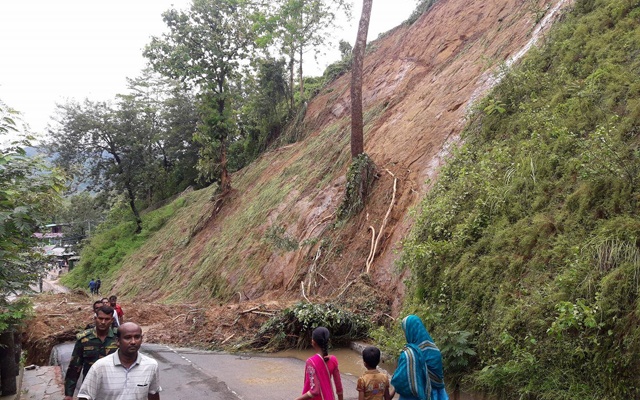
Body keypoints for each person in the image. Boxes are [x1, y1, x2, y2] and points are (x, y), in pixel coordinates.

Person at [78, 322, 162, 400]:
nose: (133, 342)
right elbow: (84, 396)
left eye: (137, 337)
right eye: (127, 338)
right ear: (118, 341)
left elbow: (153, 394)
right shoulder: (100, 367)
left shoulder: (151, 365)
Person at [64, 305, 119, 400]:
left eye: (107, 319)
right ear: (95, 318)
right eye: (100, 318)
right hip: (89, 387)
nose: (103, 322)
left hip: (114, 388)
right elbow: (75, 366)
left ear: (112, 320)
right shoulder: (84, 338)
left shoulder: (119, 337)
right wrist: (69, 394)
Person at [390, 315, 449, 400]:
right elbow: (438, 380)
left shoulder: (409, 355)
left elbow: (400, 382)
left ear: (409, 331)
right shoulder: (435, 351)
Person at [295, 326, 344, 400]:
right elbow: (339, 387)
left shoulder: (311, 362)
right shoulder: (333, 360)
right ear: (328, 341)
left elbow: (315, 391)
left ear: (313, 342)